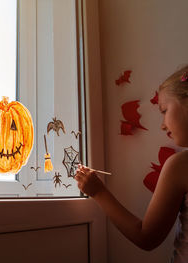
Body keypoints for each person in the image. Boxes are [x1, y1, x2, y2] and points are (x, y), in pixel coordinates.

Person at [75, 65, 188, 263]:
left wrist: (98, 192)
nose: (162, 124)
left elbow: (146, 237)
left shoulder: (180, 165)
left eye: (164, 111)